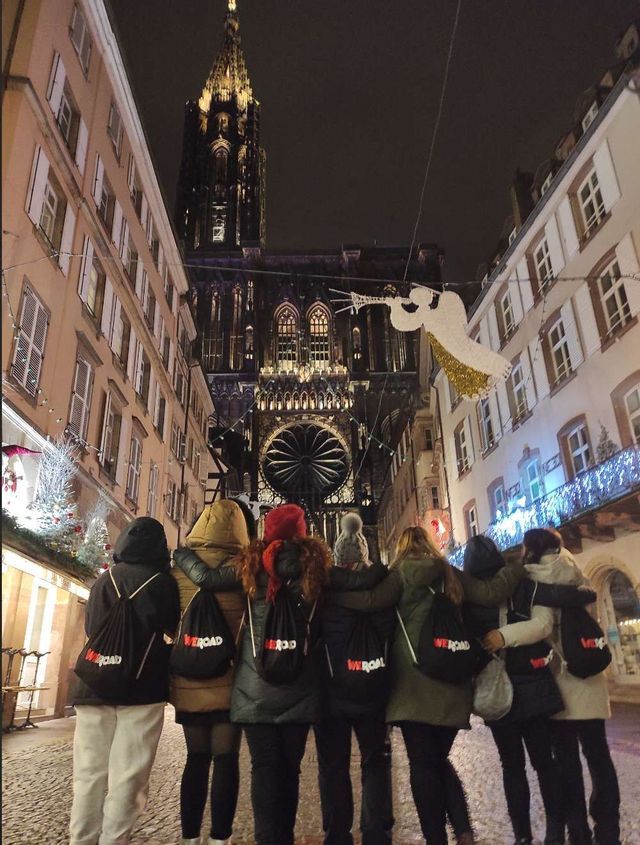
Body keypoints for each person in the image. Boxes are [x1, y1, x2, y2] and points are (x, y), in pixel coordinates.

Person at [173, 503, 383, 845]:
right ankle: (284, 836)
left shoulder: (251, 566)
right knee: (290, 770)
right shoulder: (317, 570)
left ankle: (266, 839)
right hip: (300, 688)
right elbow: (362, 579)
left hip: (254, 688)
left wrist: (180, 553)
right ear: (302, 534)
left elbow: (206, 579)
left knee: (263, 767)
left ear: (267, 531)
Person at [386, 526, 525, 845]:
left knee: (423, 765)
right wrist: (520, 565)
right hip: (453, 682)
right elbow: (491, 592)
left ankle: (437, 838)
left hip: (411, 687)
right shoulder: (450, 574)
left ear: (401, 548)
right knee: (437, 760)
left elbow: (369, 601)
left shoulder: (396, 577)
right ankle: (463, 831)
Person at [487, 528, 620, 845]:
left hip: (564, 683)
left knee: (567, 762)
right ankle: (608, 829)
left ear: (529, 550)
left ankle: (578, 831)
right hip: (593, 683)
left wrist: (502, 636)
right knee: (599, 757)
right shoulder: (575, 571)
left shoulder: (536, 578)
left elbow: (542, 625)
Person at [465, 535, 596, 845]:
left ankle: (522, 836)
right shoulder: (522, 584)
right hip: (533, 683)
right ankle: (555, 830)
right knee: (544, 763)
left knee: (512, 767)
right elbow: (545, 620)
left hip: (496, 693)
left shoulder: (468, 598)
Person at [70, 517, 180, 845]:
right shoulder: (163, 583)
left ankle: (81, 840)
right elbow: (171, 630)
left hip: (94, 684)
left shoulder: (104, 581)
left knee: (88, 774)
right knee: (128, 778)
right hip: (142, 688)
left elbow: (92, 629)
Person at [171, 498, 255, 845]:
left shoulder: (178, 571)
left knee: (195, 758)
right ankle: (220, 837)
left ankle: (190, 837)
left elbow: (169, 622)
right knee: (226, 759)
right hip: (229, 678)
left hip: (188, 677)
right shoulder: (246, 572)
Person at [315, 519, 400, 844]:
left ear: (338, 557)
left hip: (332, 694)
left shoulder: (325, 591)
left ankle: (337, 833)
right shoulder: (383, 589)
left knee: (333, 767)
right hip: (374, 689)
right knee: (375, 762)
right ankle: (376, 832)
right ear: (365, 555)